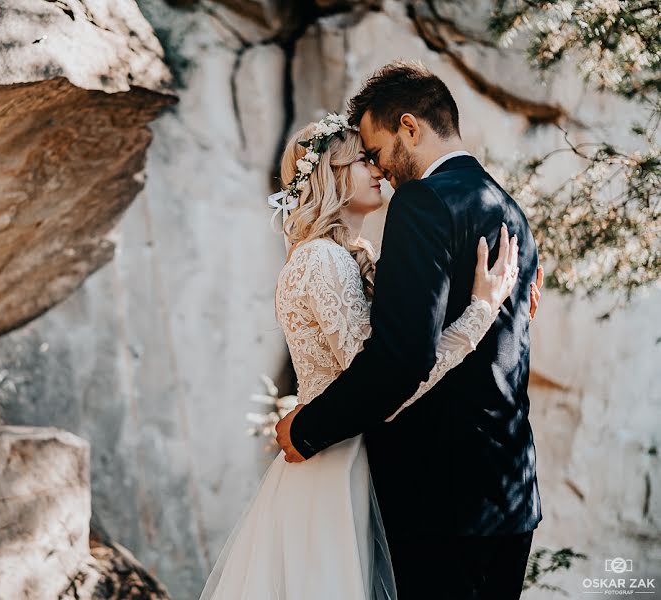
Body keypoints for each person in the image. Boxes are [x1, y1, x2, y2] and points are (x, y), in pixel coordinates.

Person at [199, 107, 537, 598]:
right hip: (335, 465)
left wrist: (505, 303)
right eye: (364, 160)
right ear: (331, 176)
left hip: (355, 459)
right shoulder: (322, 261)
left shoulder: (350, 256)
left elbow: (404, 345)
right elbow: (391, 379)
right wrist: (482, 312)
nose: (379, 169)